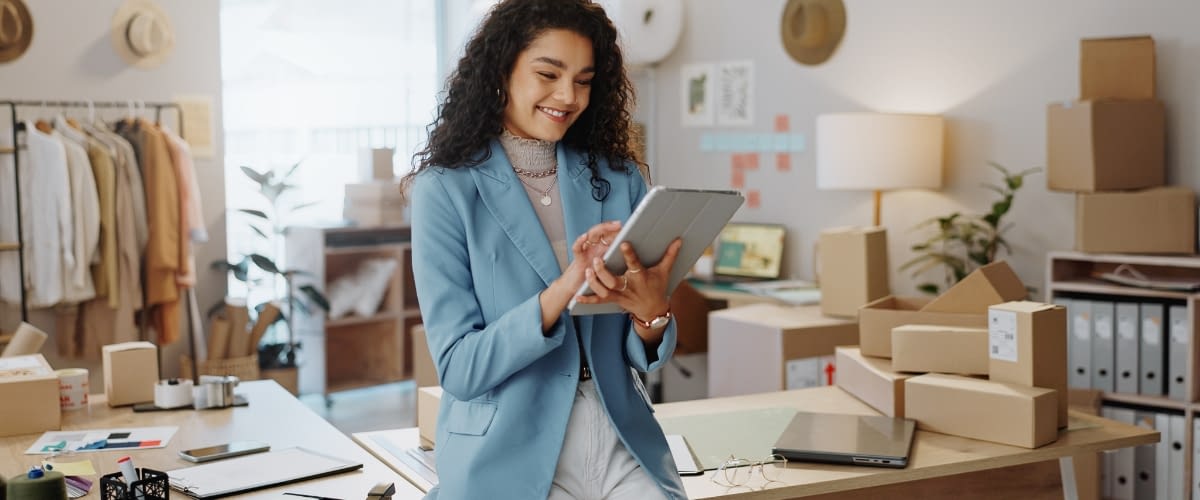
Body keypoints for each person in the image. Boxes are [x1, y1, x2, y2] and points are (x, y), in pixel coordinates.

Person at [404, 1, 686, 499]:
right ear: (501, 72)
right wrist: (563, 289)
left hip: (619, 435)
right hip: (509, 449)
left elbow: (644, 355)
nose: (567, 96)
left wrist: (651, 318)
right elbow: (460, 369)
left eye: (583, 80)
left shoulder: (619, 178)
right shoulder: (443, 191)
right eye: (548, 74)